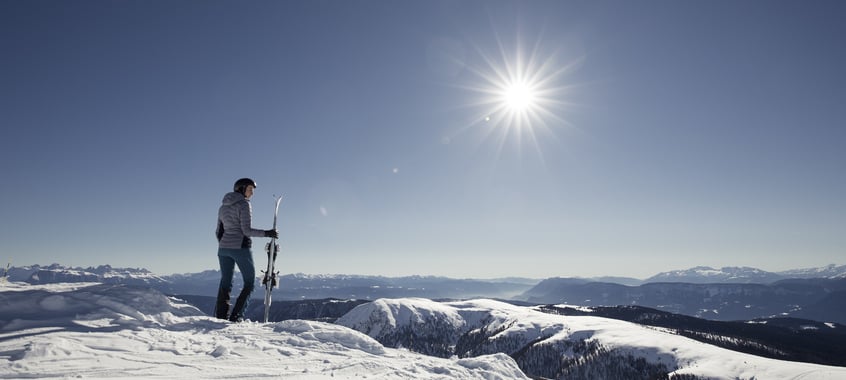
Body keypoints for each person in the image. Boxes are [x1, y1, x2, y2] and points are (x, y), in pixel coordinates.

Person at [214, 177, 278, 322]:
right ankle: (236, 317)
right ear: (241, 189)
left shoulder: (222, 207)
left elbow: (218, 231)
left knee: (226, 282)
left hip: (223, 249)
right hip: (240, 248)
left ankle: (221, 316)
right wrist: (267, 233)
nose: (252, 193)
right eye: (250, 189)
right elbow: (246, 231)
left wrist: (225, 244)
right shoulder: (244, 204)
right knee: (249, 283)